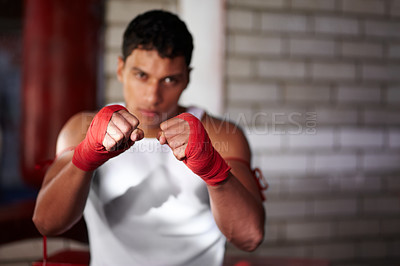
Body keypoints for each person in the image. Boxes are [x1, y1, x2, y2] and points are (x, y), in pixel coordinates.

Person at [33, 10, 265, 266]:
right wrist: (84, 156)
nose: (153, 96)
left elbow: (250, 238)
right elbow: (46, 223)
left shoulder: (222, 136)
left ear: (186, 78)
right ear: (121, 69)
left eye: (169, 80)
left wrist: (214, 171)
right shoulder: (82, 128)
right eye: (141, 75)